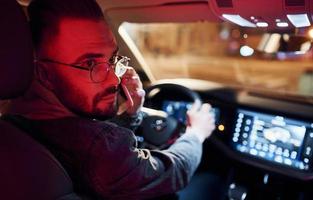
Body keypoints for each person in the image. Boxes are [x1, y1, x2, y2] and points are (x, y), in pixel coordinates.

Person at [4, 0, 216, 199]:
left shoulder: (12, 120)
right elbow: (173, 172)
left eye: (113, 59)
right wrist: (196, 133)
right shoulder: (100, 148)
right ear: (44, 73)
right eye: (90, 64)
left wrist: (130, 115)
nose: (114, 78)